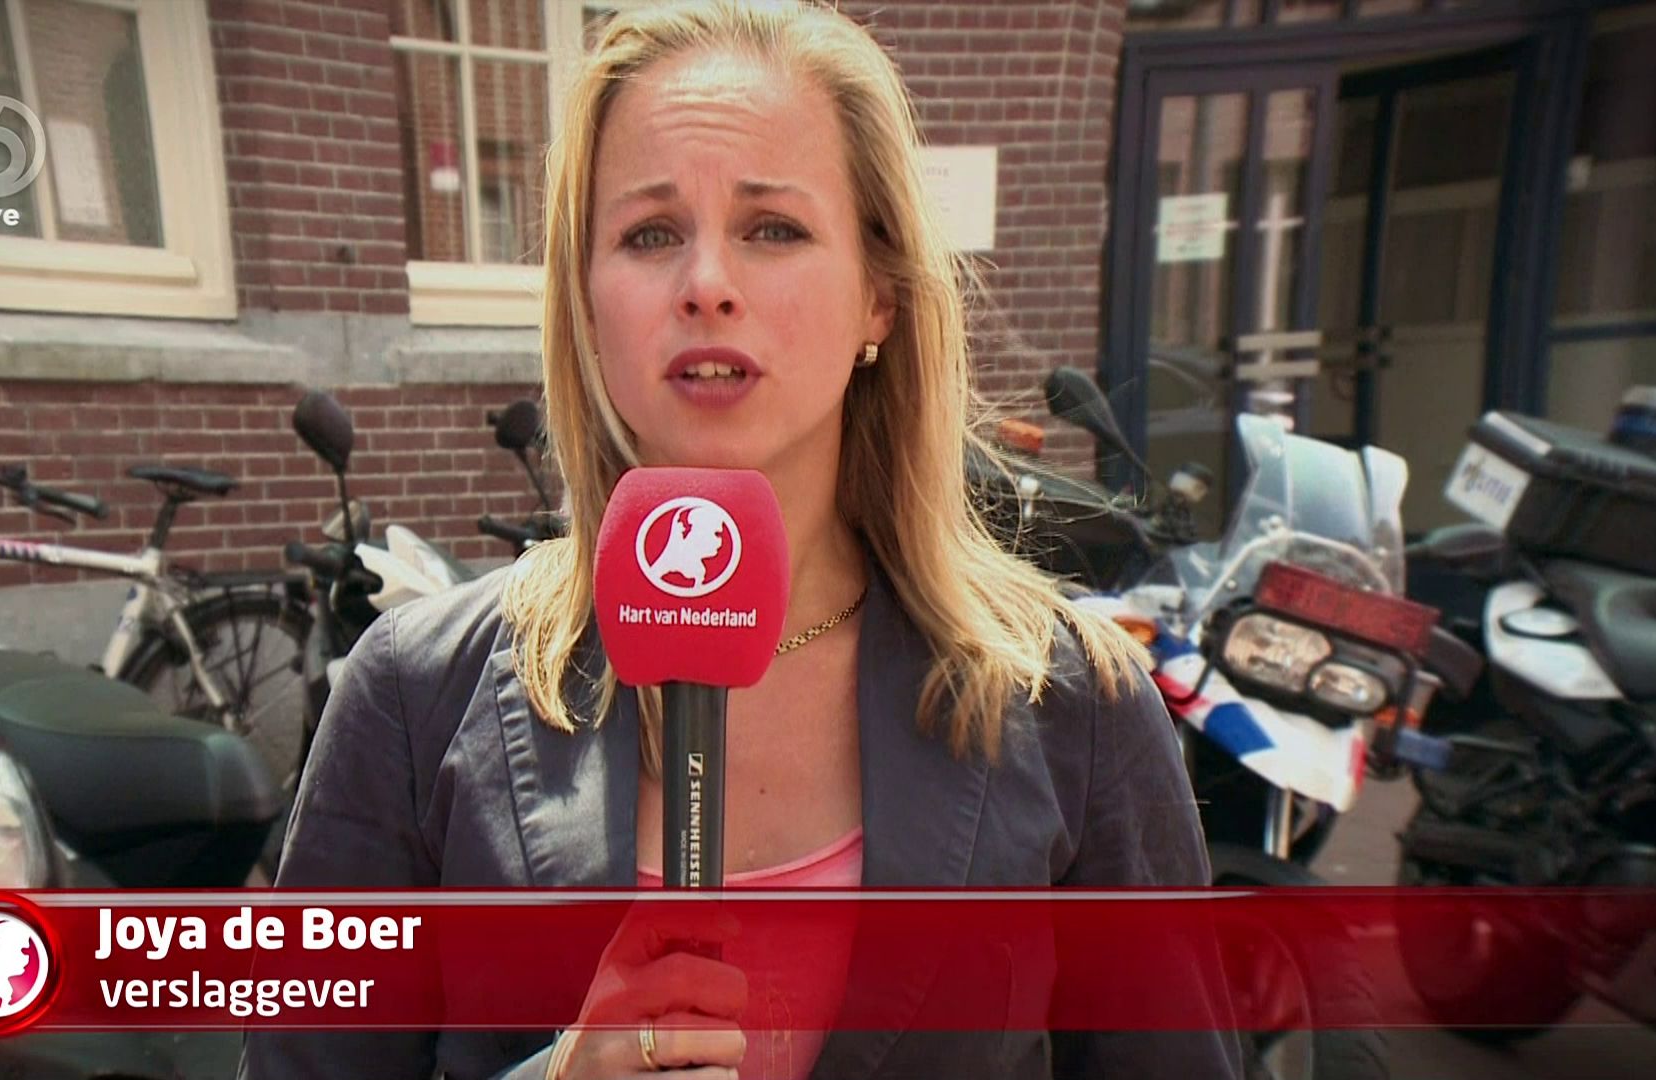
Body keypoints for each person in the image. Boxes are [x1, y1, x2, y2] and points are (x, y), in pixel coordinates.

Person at [241, 2, 1240, 1077]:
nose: (706, 283)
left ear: (881, 298)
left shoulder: (1076, 706)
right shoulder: (411, 696)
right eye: (649, 234)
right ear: (585, 300)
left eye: (773, 229)